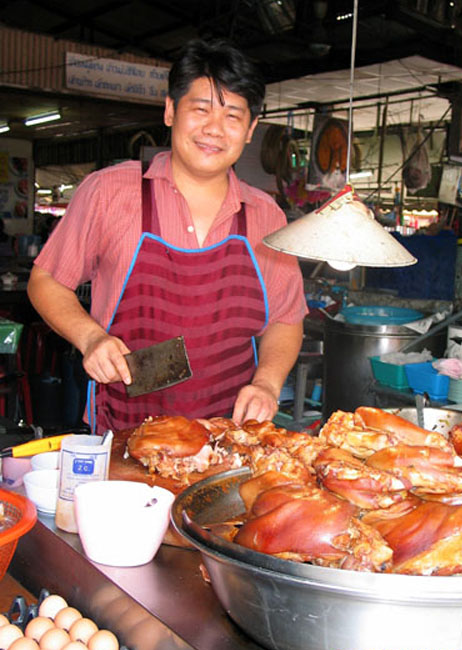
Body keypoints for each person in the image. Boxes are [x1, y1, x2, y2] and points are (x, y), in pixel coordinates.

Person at [27, 38, 307, 434]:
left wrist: (266, 383)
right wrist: (90, 338)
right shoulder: (110, 192)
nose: (214, 129)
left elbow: (285, 318)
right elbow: (47, 280)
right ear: (170, 110)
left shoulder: (266, 215)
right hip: (125, 432)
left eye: (232, 116)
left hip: (230, 438)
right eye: (201, 109)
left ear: (250, 130)